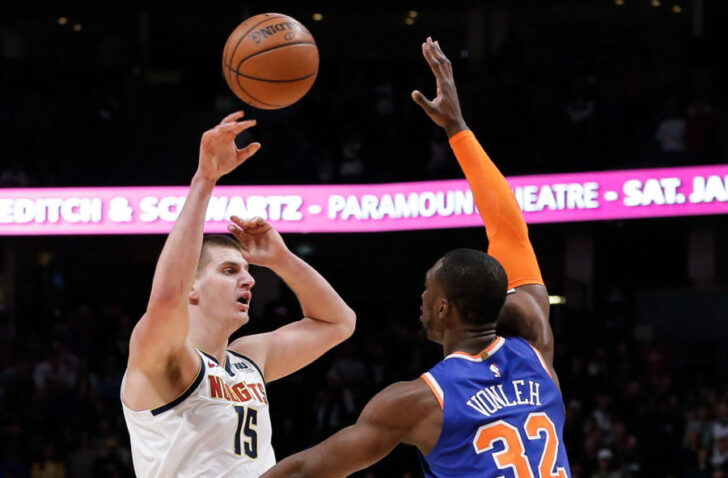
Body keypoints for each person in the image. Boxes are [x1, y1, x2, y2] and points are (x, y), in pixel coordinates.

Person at [262, 38, 571, 478]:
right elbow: (509, 229)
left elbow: (307, 469)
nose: (422, 297)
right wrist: (458, 129)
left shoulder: (421, 401)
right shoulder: (536, 348)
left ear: (443, 308)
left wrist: (455, 128)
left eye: (428, 289)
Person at [120, 112, 356, 477]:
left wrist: (282, 259)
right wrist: (205, 180)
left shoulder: (248, 360)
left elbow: (338, 322)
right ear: (192, 286)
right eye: (229, 271)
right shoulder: (167, 359)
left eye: (247, 272)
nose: (248, 281)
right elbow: (167, 298)